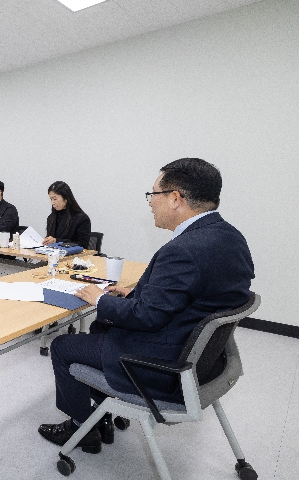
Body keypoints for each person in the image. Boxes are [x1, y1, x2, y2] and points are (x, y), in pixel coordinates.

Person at [39, 158, 254, 453]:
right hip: (204, 360)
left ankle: (81, 428)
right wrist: (137, 293)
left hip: (162, 365)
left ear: (175, 198)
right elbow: (195, 292)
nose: (150, 202)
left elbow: (146, 317)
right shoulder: (230, 237)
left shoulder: (183, 250)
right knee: (101, 326)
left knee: (63, 346)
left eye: (153, 194)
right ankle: (102, 414)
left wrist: (99, 298)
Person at [42, 181, 91, 249]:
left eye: (55, 199)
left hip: (73, 255)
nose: (52, 202)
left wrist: (57, 241)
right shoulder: (51, 218)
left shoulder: (81, 219)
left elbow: (82, 245)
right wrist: (47, 241)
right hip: (52, 254)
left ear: (65, 198)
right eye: (51, 199)